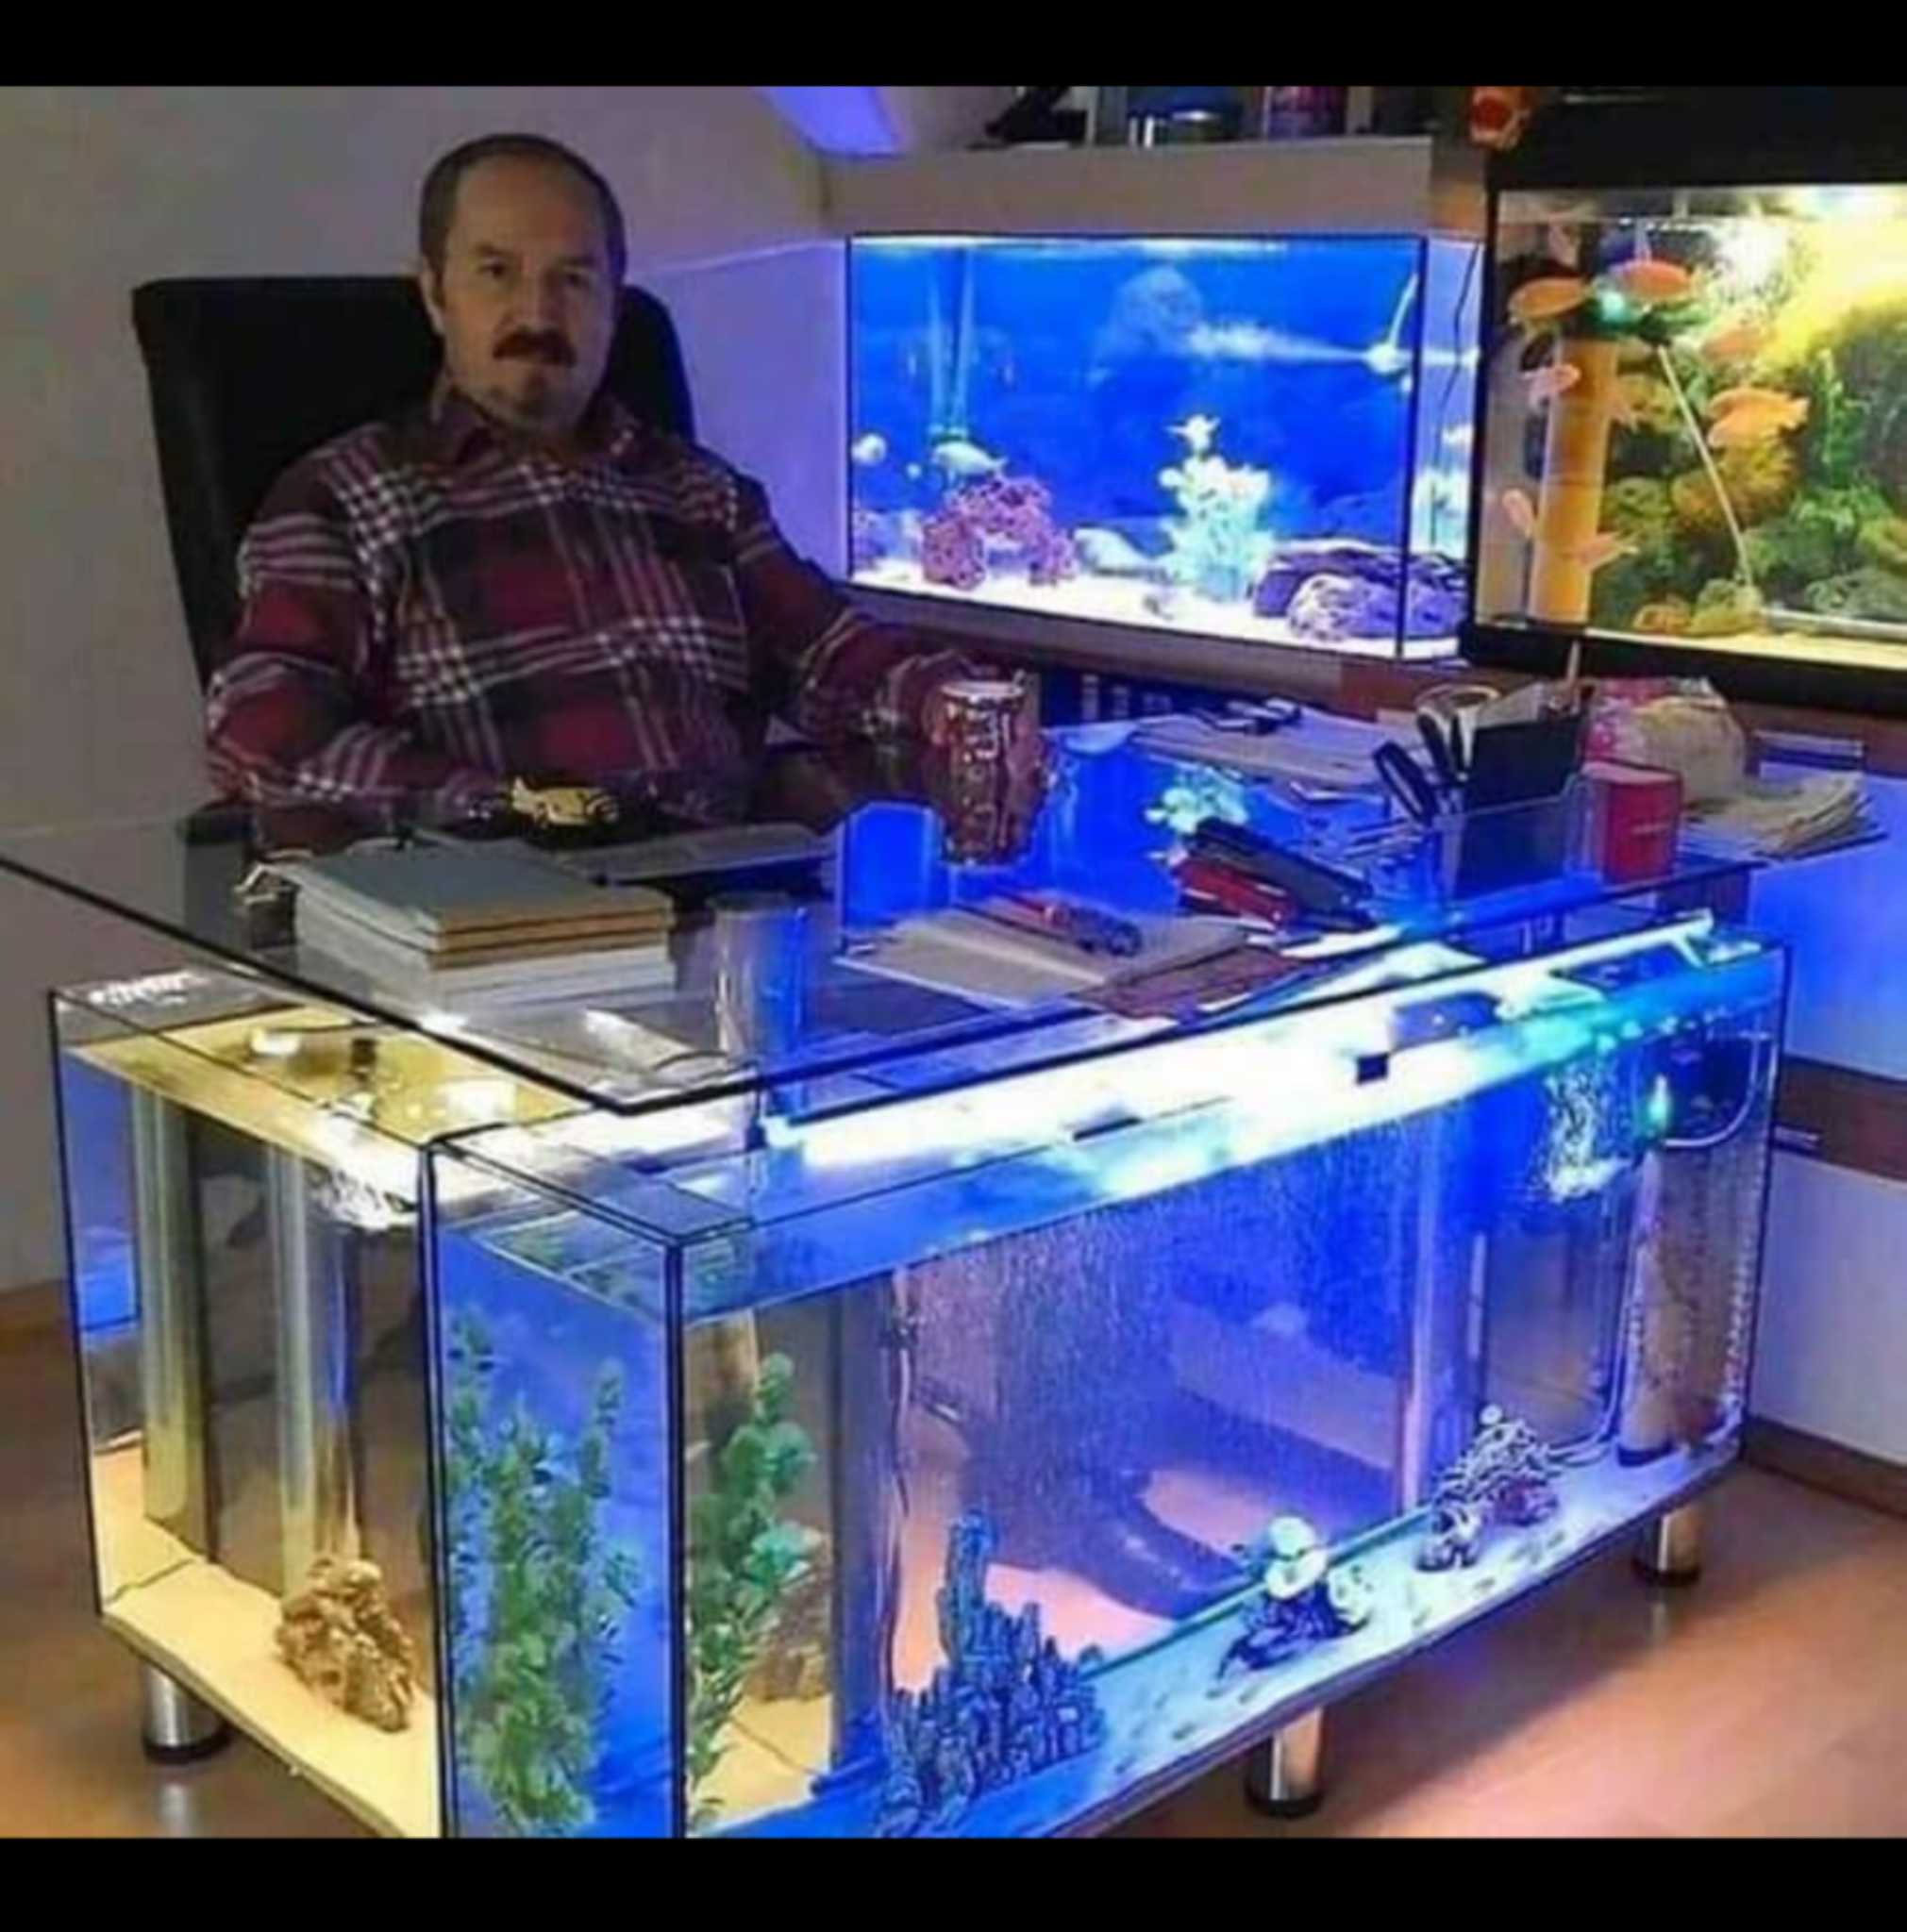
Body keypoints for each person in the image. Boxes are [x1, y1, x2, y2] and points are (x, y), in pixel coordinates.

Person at [206, 132, 1043, 837]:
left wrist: (950, 701)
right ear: (433, 293)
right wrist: (516, 812)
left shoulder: (699, 494)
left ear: (614, 296)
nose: (536, 314)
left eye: (573, 278)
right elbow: (264, 741)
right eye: (496, 272)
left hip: (726, 917)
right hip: (495, 929)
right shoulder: (340, 500)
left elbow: (834, 659)